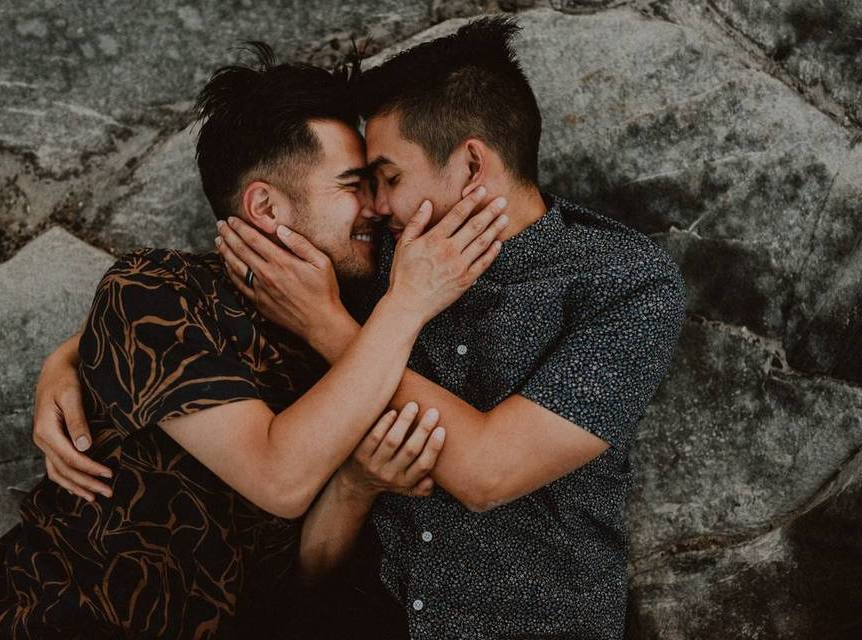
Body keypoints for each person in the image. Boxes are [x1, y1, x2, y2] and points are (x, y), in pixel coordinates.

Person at [0, 43, 507, 639]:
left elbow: (303, 576)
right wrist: (408, 305)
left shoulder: (355, 330)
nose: (377, 207)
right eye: (353, 184)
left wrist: (356, 482)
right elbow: (279, 478)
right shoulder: (157, 290)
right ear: (265, 206)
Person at [216, 16, 688, 639]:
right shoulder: (378, 256)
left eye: (388, 178)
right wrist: (80, 358)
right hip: (371, 617)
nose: (374, 206)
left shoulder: (625, 284)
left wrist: (329, 327)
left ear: (471, 165)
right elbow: (218, 289)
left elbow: (489, 472)